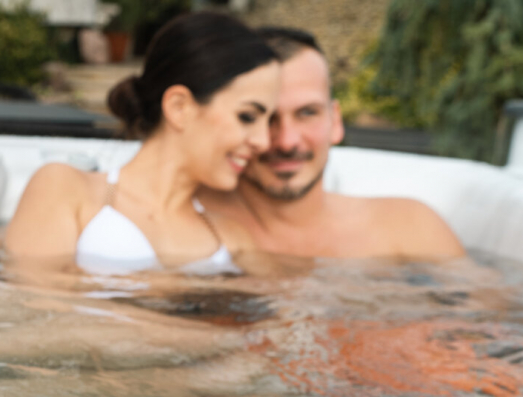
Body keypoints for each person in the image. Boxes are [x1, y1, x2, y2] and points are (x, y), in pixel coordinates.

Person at [5, 11, 280, 276]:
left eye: (269, 121)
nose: (264, 141)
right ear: (179, 107)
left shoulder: (233, 241)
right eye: (247, 116)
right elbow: (37, 311)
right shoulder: (65, 189)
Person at [198, 26, 466, 261]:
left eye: (307, 113)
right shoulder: (187, 227)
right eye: (266, 117)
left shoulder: (410, 227)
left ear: (335, 121)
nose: (287, 141)